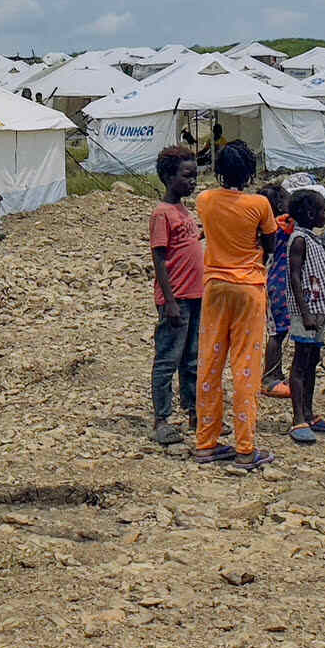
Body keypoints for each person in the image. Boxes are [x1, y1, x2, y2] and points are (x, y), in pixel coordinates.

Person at [193, 141, 276, 471]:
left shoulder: (205, 200)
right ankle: (245, 448)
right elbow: (269, 243)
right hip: (248, 287)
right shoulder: (260, 204)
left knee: (210, 363)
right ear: (250, 171)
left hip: (214, 286)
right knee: (245, 367)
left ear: (219, 171)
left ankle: (205, 442)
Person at [148, 146, 203, 445]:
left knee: (192, 359)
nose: (193, 181)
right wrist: (169, 301)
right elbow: (159, 258)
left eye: (195, 176)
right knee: (168, 359)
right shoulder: (162, 214)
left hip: (196, 295)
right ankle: (161, 418)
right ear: (168, 177)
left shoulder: (184, 210)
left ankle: (194, 412)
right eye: (187, 176)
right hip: (177, 299)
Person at [284, 189, 325, 444]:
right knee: (300, 363)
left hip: (317, 311)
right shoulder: (299, 240)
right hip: (306, 311)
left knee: (311, 362)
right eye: (322, 210)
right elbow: (295, 277)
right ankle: (298, 417)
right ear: (310, 213)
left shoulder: (312, 239)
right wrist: (306, 312)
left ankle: (308, 413)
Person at [258, 184, 294, 400]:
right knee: (277, 332)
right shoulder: (283, 225)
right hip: (277, 284)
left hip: (277, 282)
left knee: (278, 331)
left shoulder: (266, 227)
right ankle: (270, 377)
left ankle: (275, 374)